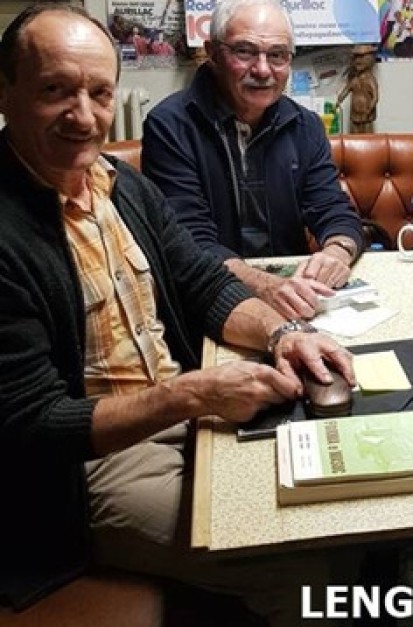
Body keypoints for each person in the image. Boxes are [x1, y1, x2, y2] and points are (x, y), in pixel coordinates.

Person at [0, 5, 357, 624]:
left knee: (339, 503)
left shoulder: (117, 184)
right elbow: (33, 426)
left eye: (99, 93)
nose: (83, 116)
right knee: (299, 563)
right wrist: (193, 394)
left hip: (180, 414)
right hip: (81, 474)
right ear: (6, 91)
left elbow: (201, 282)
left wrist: (284, 332)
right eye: (55, 91)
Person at [141, 0, 363, 321]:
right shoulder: (170, 126)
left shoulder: (305, 126)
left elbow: (332, 208)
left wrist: (337, 252)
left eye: (277, 55)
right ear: (213, 53)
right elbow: (189, 240)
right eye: (244, 52)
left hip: (295, 296)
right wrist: (263, 286)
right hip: (209, 298)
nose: (262, 70)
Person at [337, 44, 379, 134]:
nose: (358, 60)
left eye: (361, 57)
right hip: (355, 113)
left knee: (368, 135)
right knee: (354, 135)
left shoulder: (370, 79)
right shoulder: (354, 79)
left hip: (366, 114)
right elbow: (347, 90)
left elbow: (375, 97)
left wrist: (369, 109)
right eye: (356, 57)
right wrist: (339, 99)